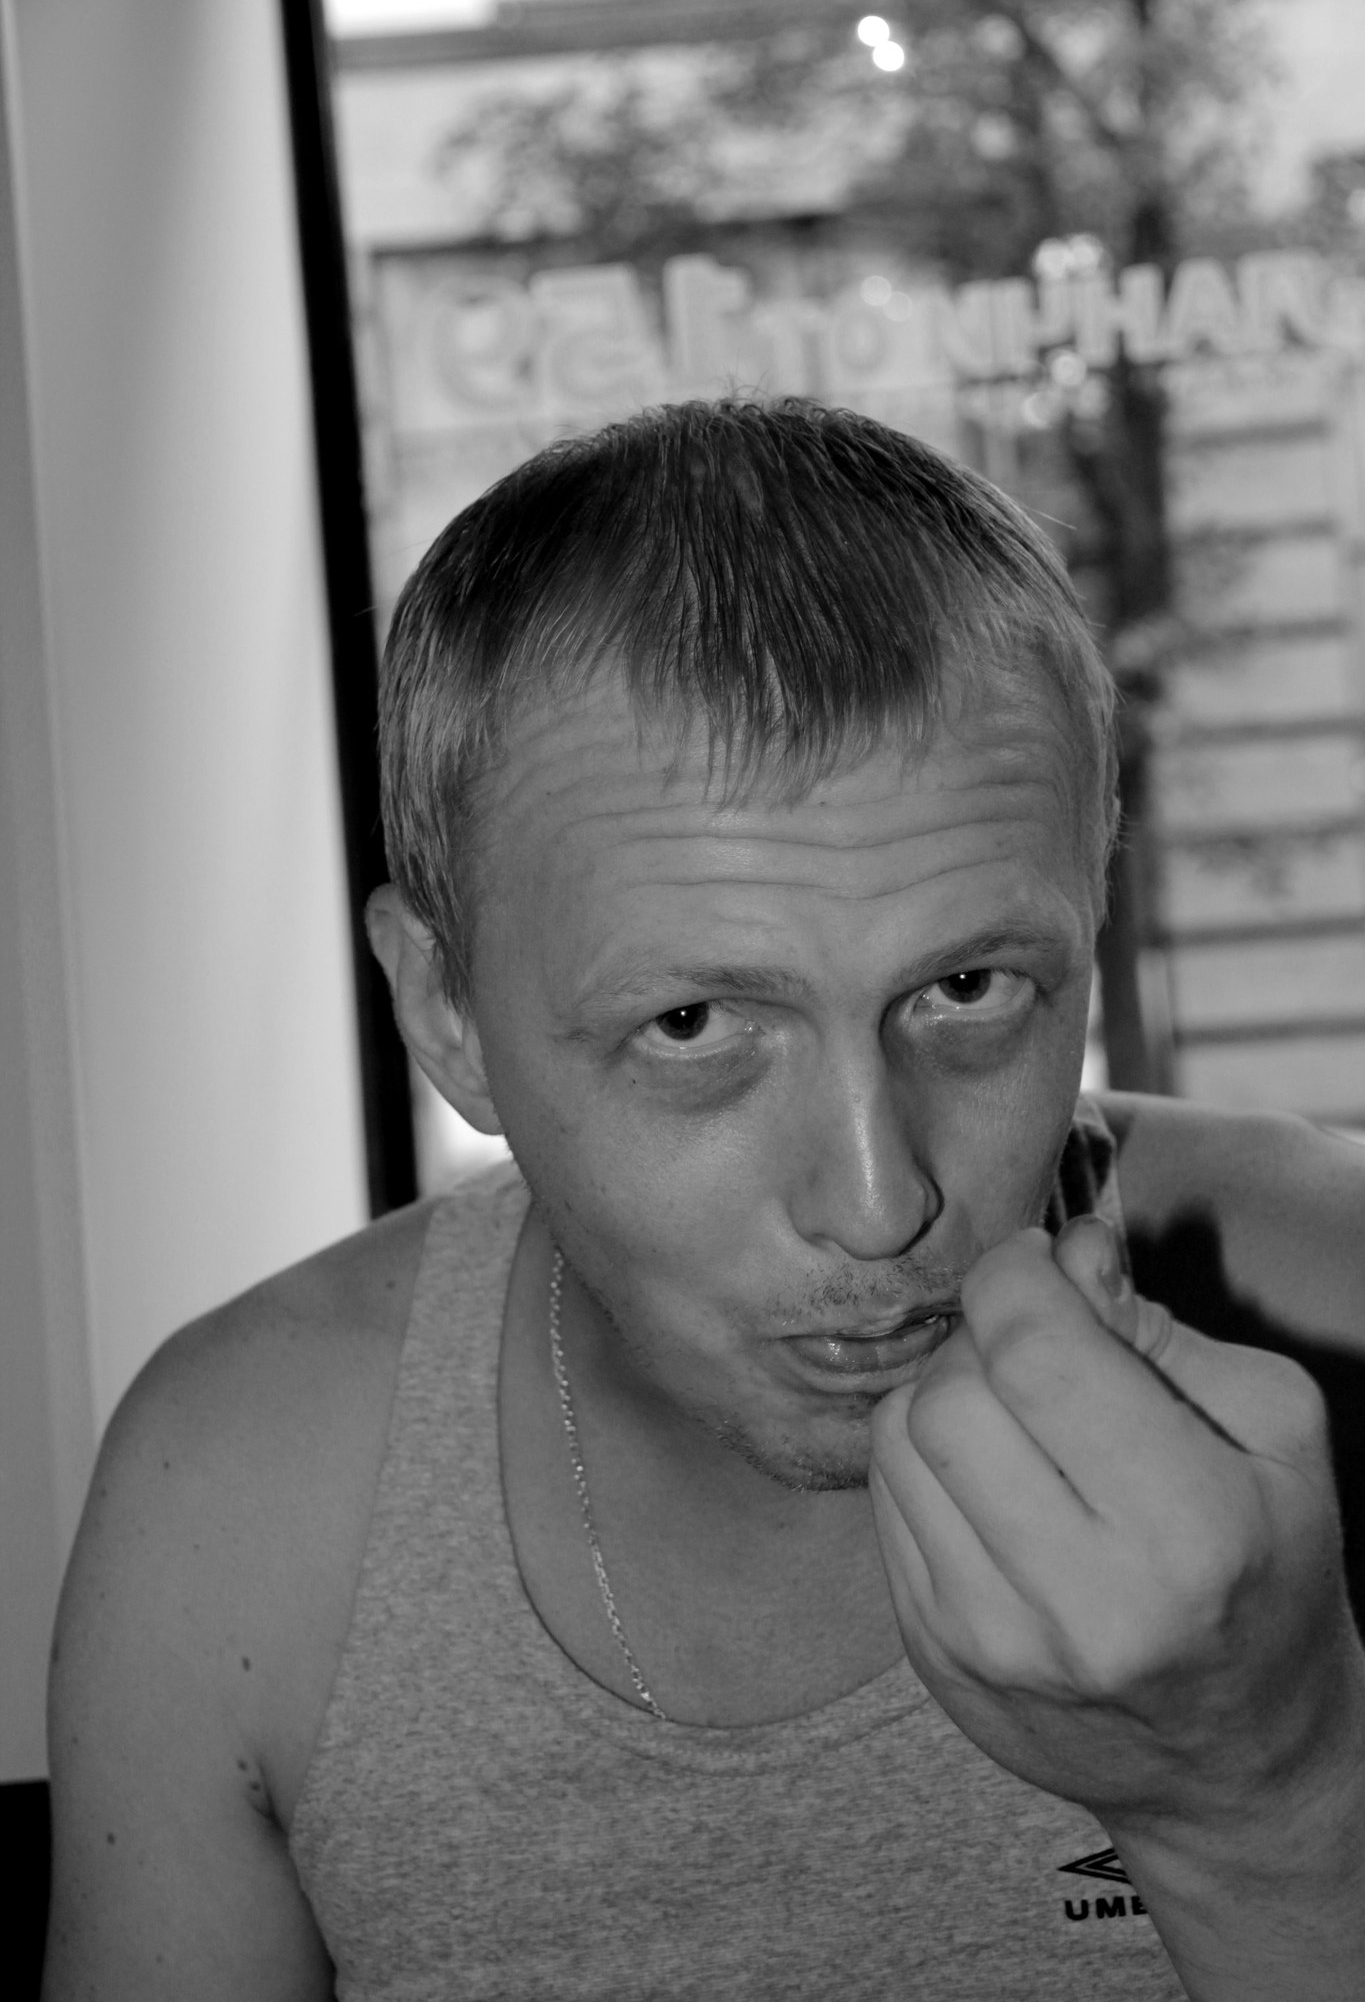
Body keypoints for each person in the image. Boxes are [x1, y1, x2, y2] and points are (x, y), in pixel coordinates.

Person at [42, 399, 1365, 2002]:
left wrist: (1265, 1803)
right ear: (444, 1016)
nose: (876, 1202)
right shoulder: (242, 1497)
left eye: (966, 988)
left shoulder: (1330, 1313)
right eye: (691, 1026)